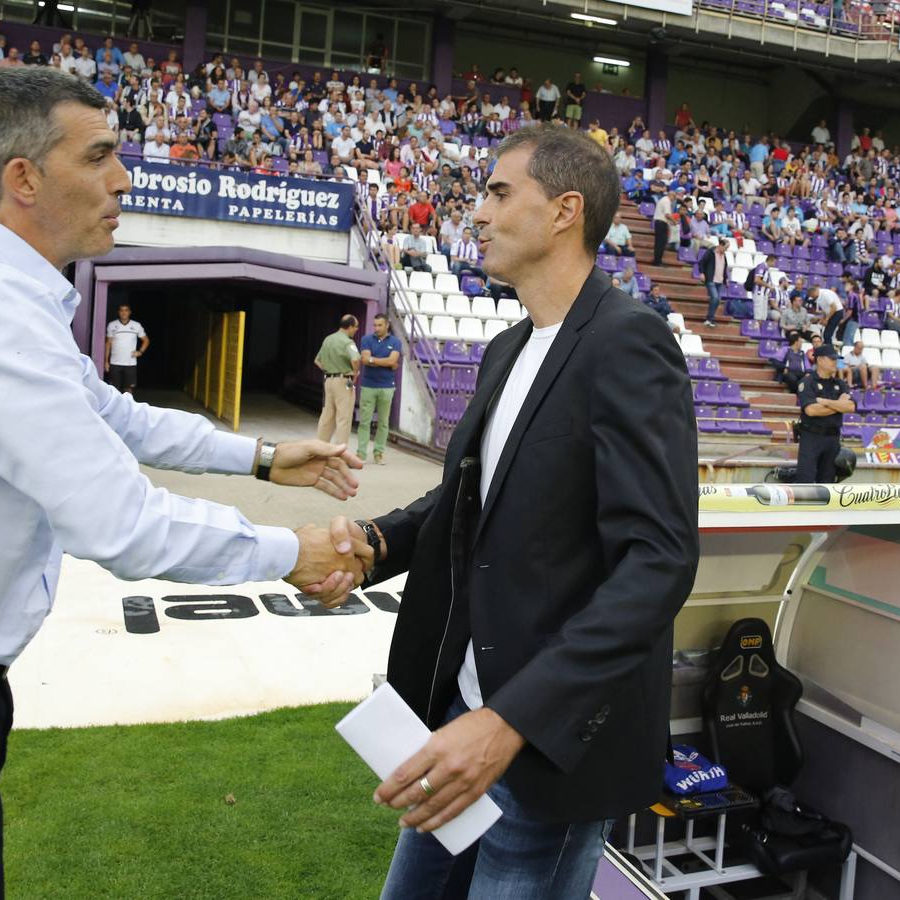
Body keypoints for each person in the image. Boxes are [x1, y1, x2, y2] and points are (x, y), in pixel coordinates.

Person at [0, 68, 371, 900]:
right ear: (25, 178)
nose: (124, 179)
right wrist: (286, 553)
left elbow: (118, 419)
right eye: (101, 156)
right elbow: (118, 523)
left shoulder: (8, 298)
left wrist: (262, 458)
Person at [309, 124, 699, 899]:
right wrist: (375, 544)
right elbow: (466, 502)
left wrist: (512, 719)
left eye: (496, 193)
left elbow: (658, 562)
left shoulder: (629, 342)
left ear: (564, 211)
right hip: (462, 710)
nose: (476, 213)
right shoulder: (507, 348)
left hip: (545, 739)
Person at [795, 344, 853, 484]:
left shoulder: (840, 384)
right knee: (805, 479)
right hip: (812, 437)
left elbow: (850, 406)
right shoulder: (808, 382)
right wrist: (838, 405)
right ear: (820, 360)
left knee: (827, 482)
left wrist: (825, 402)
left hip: (833, 438)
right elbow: (811, 410)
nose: (835, 362)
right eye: (832, 359)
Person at [357, 313, 401, 465]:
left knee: (383, 422)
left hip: (387, 387)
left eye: (379, 325)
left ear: (387, 325)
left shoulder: (395, 342)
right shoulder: (366, 339)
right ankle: (361, 454)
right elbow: (364, 359)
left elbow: (393, 360)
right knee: (364, 421)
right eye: (375, 325)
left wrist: (372, 360)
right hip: (368, 385)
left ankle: (379, 453)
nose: (376, 328)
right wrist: (387, 363)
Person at [314, 314, 361, 446]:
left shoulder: (328, 339)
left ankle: (320, 448)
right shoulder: (348, 342)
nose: (357, 329)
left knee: (327, 416)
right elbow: (356, 359)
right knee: (343, 417)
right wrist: (355, 373)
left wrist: (329, 370)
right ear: (350, 326)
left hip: (328, 381)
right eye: (356, 327)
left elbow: (317, 361)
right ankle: (339, 452)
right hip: (344, 381)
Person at [104, 303, 148, 394]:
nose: (124, 312)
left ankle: (128, 407)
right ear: (119, 312)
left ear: (129, 312)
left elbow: (146, 340)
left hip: (130, 363)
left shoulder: (136, 325)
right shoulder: (112, 325)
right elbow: (108, 343)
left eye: (126, 310)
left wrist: (140, 351)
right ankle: (116, 407)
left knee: (128, 389)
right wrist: (106, 361)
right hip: (115, 362)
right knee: (114, 390)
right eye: (121, 310)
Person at [698, 238, 729, 327]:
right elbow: (702, 263)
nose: (726, 250)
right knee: (715, 298)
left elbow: (724, 268)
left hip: (720, 280)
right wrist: (702, 273)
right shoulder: (711, 252)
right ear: (720, 245)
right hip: (711, 279)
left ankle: (710, 319)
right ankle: (709, 318)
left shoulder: (724, 256)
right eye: (725, 248)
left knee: (717, 300)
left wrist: (726, 278)